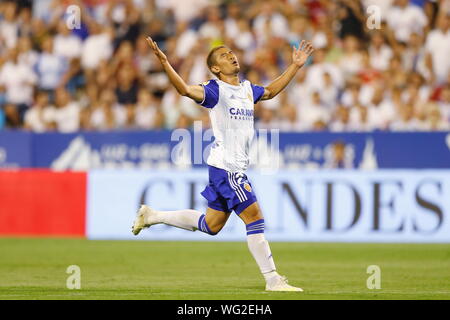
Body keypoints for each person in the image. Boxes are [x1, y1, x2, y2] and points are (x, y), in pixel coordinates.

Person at [132, 37, 314, 292]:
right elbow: (184, 89)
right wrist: (165, 63)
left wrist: (295, 66)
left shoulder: (249, 89)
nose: (231, 56)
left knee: (212, 225)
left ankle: (153, 215)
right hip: (226, 168)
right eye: (224, 56)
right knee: (255, 217)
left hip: (229, 168)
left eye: (231, 52)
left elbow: (271, 91)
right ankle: (273, 280)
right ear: (215, 68)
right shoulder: (215, 90)